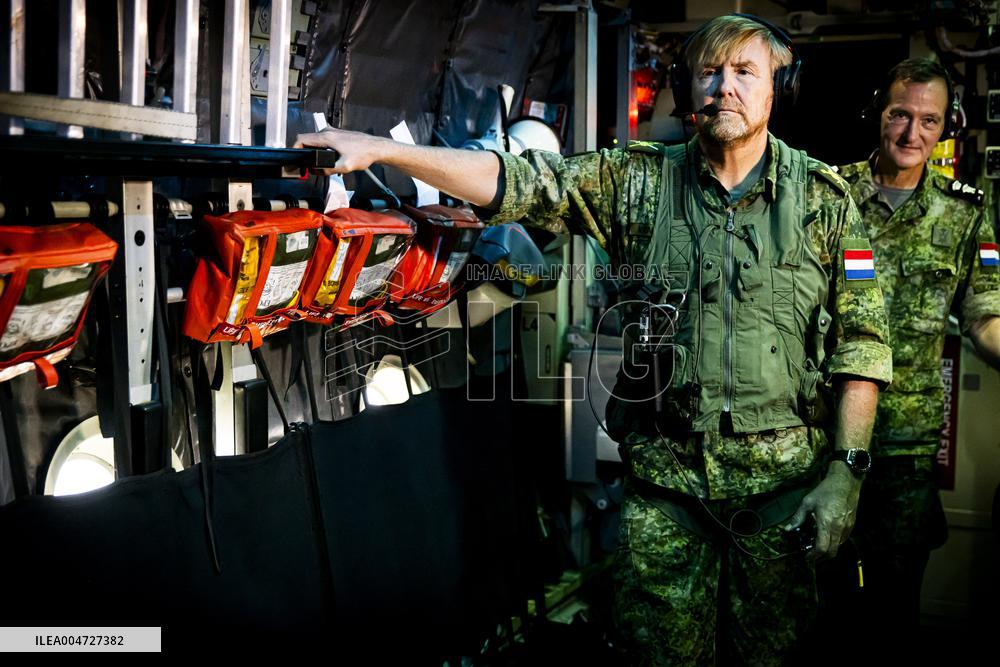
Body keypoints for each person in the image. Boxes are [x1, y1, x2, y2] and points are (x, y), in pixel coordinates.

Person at [295, 14, 893, 666]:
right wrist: (386, 151)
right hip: (666, 505)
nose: (725, 87)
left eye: (745, 72)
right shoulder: (636, 181)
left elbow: (861, 341)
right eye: (710, 71)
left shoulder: (825, 202)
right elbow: (518, 181)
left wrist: (847, 474)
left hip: (780, 503)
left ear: (778, 85)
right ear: (688, 86)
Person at [833, 58, 1000, 655]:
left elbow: (984, 316)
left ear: (946, 126)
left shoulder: (965, 212)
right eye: (900, 114)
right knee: (812, 601)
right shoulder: (831, 194)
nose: (911, 133)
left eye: (928, 121)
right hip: (820, 432)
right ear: (878, 112)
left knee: (894, 604)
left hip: (906, 444)